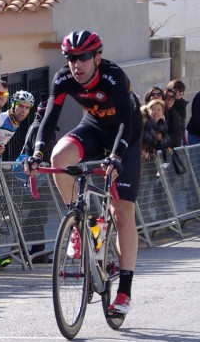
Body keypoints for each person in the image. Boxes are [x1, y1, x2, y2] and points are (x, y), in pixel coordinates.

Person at [24, 30, 142, 316]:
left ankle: (124, 291)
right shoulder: (63, 78)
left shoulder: (113, 77)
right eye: (71, 58)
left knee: (121, 211)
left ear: (97, 57)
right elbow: (49, 117)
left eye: (84, 58)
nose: (77, 64)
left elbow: (126, 122)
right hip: (93, 127)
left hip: (126, 134)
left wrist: (116, 157)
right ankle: (79, 221)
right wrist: (38, 153)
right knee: (58, 156)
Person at [0, 90, 34, 160]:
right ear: (13, 104)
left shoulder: (15, 122)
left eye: (27, 107)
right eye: (20, 106)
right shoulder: (1, 119)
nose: (23, 110)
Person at [166, 80, 187, 147]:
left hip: (179, 139)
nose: (178, 92)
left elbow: (181, 124)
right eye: (175, 89)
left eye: (181, 89)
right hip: (169, 143)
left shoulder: (182, 104)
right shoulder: (168, 105)